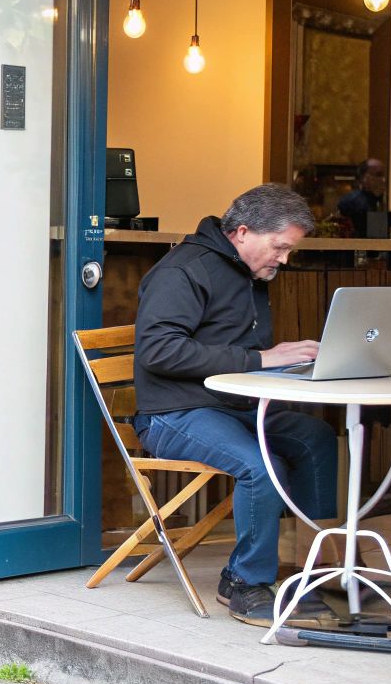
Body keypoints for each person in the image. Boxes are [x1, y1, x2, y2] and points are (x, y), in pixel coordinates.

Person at [130, 183, 340, 628]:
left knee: (315, 438)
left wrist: (288, 365)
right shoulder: (183, 271)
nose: (284, 259)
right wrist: (265, 359)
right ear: (242, 232)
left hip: (233, 406)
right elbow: (159, 351)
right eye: (280, 247)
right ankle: (243, 583)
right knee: (261, 466)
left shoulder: (245, 270)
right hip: (173, 414)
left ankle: (317, 569)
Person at [336, 158, 391, 237]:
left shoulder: (376, 200)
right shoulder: (352, 201)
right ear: (364, 177)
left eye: (383, 175)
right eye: (378, 175)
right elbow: (376, 232)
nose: (383, 180)